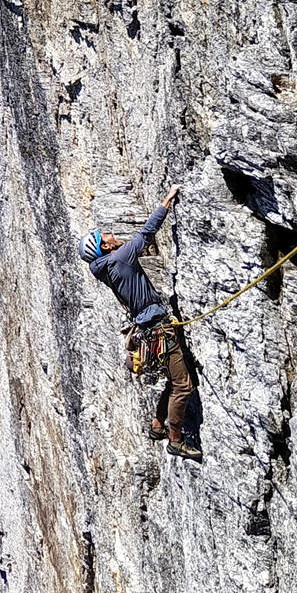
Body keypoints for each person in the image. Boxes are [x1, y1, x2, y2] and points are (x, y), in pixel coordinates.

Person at [79, 185, 199, 460]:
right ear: (104, 247)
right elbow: (146, 234)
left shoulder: (105, 268)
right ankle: (175, 440)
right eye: (105, 236)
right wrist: (166, 202)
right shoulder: (120, 258)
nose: (111, 234)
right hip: (158, 327)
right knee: (182, 385)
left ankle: (158, 425)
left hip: (148, 328)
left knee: (172, 378)